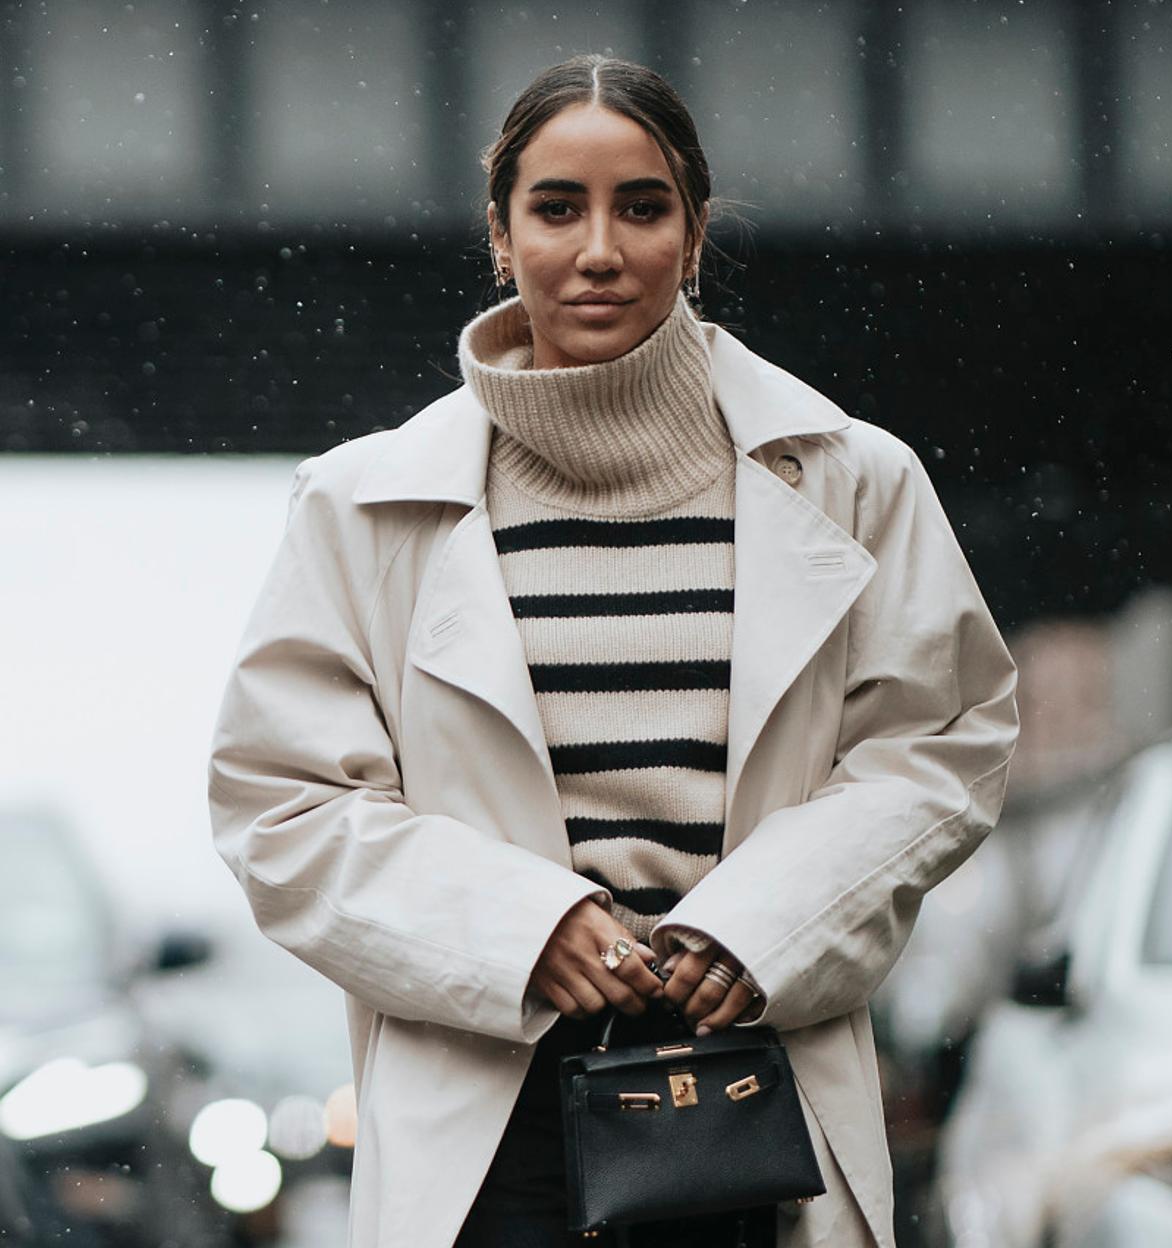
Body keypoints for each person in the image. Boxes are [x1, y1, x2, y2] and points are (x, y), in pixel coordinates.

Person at [208, 54, 1018, 1248]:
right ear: (500, 236)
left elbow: (940, 744)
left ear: (695, 236)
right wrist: (526, 929)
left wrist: (759, 930)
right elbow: (284, 804)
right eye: (556, 207)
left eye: (642, 207)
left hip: (752, 1084)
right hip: (486, 1114)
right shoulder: (358, 504)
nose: (600, 248)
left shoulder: (853, 478)